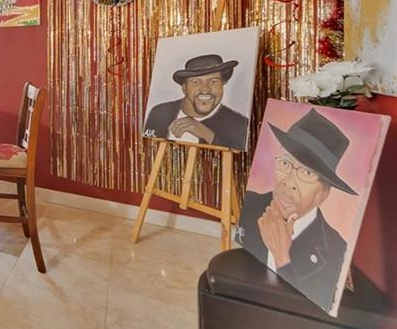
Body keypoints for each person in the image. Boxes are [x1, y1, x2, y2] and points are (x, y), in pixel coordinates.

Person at [236, 108, 356, 310]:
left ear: (324, 194)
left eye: (308, 172)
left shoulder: (336, 249)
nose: (289, 182)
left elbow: (305, 311)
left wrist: (282, 258)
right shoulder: (251, 206)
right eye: (285, 163)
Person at [143, 54, 249, 150]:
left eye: (213, 81)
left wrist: (206, 133)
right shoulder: (159, 113)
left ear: (222, 84)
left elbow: (237, 155)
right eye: (196, 82)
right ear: (184, 88)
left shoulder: (239, 123)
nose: (205, 89)